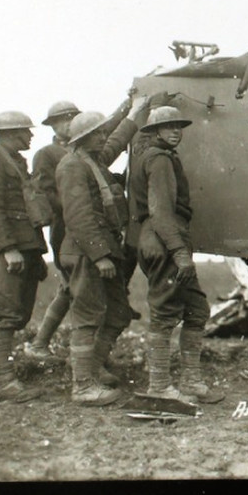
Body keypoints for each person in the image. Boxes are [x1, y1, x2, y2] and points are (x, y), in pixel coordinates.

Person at [55, 96, 149, 406]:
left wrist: (133, 113)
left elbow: (116, 141)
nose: (102, 137)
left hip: (102, 251)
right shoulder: (72, 165)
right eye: (97, 133)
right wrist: (99, 256)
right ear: (83, 138)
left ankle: (91, 369)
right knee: (88, 317)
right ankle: (83, 385)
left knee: (119, 313)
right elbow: (78, 216)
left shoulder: (91, 161)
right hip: (87, 254)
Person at [26, 98, 137, 359]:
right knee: (76, 293)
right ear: (52, 125)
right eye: (62, 119)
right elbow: (50, 196)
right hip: (67, 230)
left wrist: (129, 105)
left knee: (90, 297)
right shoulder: (52, 156)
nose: (67, 122)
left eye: (72, 116)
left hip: (90, 232)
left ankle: (91, 364)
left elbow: (112, 137)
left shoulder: (90, 158)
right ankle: (59, 356)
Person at [129, 105, 223, 404]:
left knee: (196, 309)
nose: (175, 131)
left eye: (178, 127)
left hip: (168, 238)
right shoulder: (158, 159)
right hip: (163, 239)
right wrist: (180, 252)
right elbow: (160, 212)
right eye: (168, 127)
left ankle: (191, 381)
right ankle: (158, 385)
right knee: (166, 313)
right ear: (154, 131)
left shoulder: (162, 157)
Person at [0, 111, 49, 402]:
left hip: (23, 248)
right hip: (5, 251)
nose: (31, 136)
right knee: (2, 314)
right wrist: (7, 248)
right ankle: (4, 383)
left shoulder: (16, 163)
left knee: (15, 313)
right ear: (9, 133)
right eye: (25, 132)